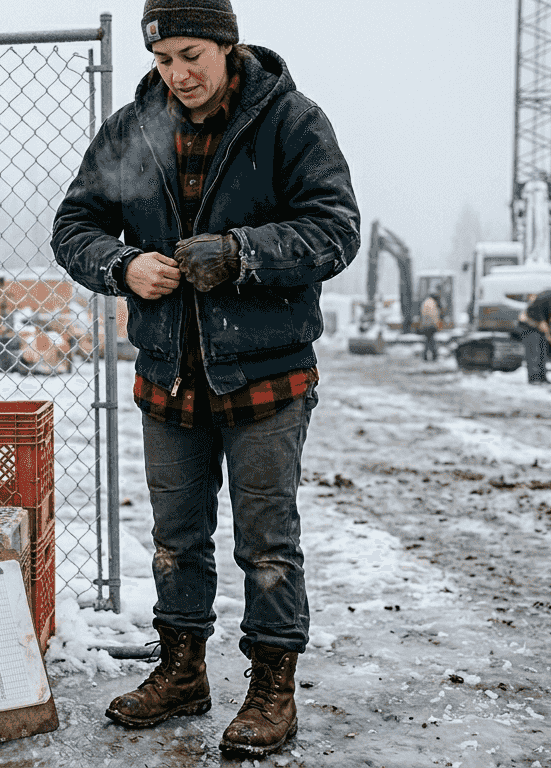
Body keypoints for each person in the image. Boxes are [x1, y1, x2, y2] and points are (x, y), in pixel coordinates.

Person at [51, 0, 360, 757]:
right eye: (163, 59)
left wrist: (242, 254)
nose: (178, 74)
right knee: (175, 540)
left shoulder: (290, 121)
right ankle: (182, 671)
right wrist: (122, 265)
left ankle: (271, 688)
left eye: (192, 53)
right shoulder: (132, 130)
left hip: (267, 381)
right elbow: (74, 228)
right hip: (168, 376)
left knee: (267, 543)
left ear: (228, 44)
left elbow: (336, 228)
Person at [516, 289, 551, 384]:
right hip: (527, 326)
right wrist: (548, 334)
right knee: (533, 352)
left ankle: (542, 377)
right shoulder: (549, 299)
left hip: (536, 327)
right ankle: (534, 379)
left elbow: (549, 322)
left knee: (542, 352)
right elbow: (542, 323)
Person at [418, 293, 441, 361]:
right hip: (430, 325)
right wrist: (436, 324)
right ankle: (434, 356)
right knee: (431, 341)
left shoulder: (425, 302)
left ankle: (426, 356)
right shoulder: (432, 303)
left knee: (428, 341)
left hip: (425, 324)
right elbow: (433, 315)